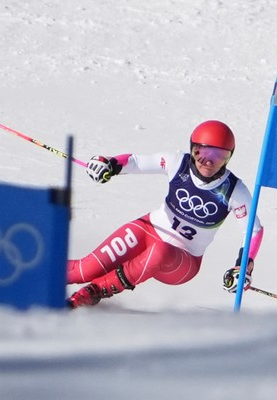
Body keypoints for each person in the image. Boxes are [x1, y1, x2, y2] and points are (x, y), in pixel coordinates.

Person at [66, 120, 264, 309]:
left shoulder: (234, 190)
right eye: (201, 153)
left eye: (219, 156)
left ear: (228, 158)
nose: (208, 162)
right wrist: (110, 163)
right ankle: (38, 271)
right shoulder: (178, 163)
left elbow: (253, 231)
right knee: (85, 270)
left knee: (161, 251)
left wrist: (243, 267)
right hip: (149, 230)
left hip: (183, 260)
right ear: (192, 149)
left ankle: (94, 292)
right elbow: (136, 162)